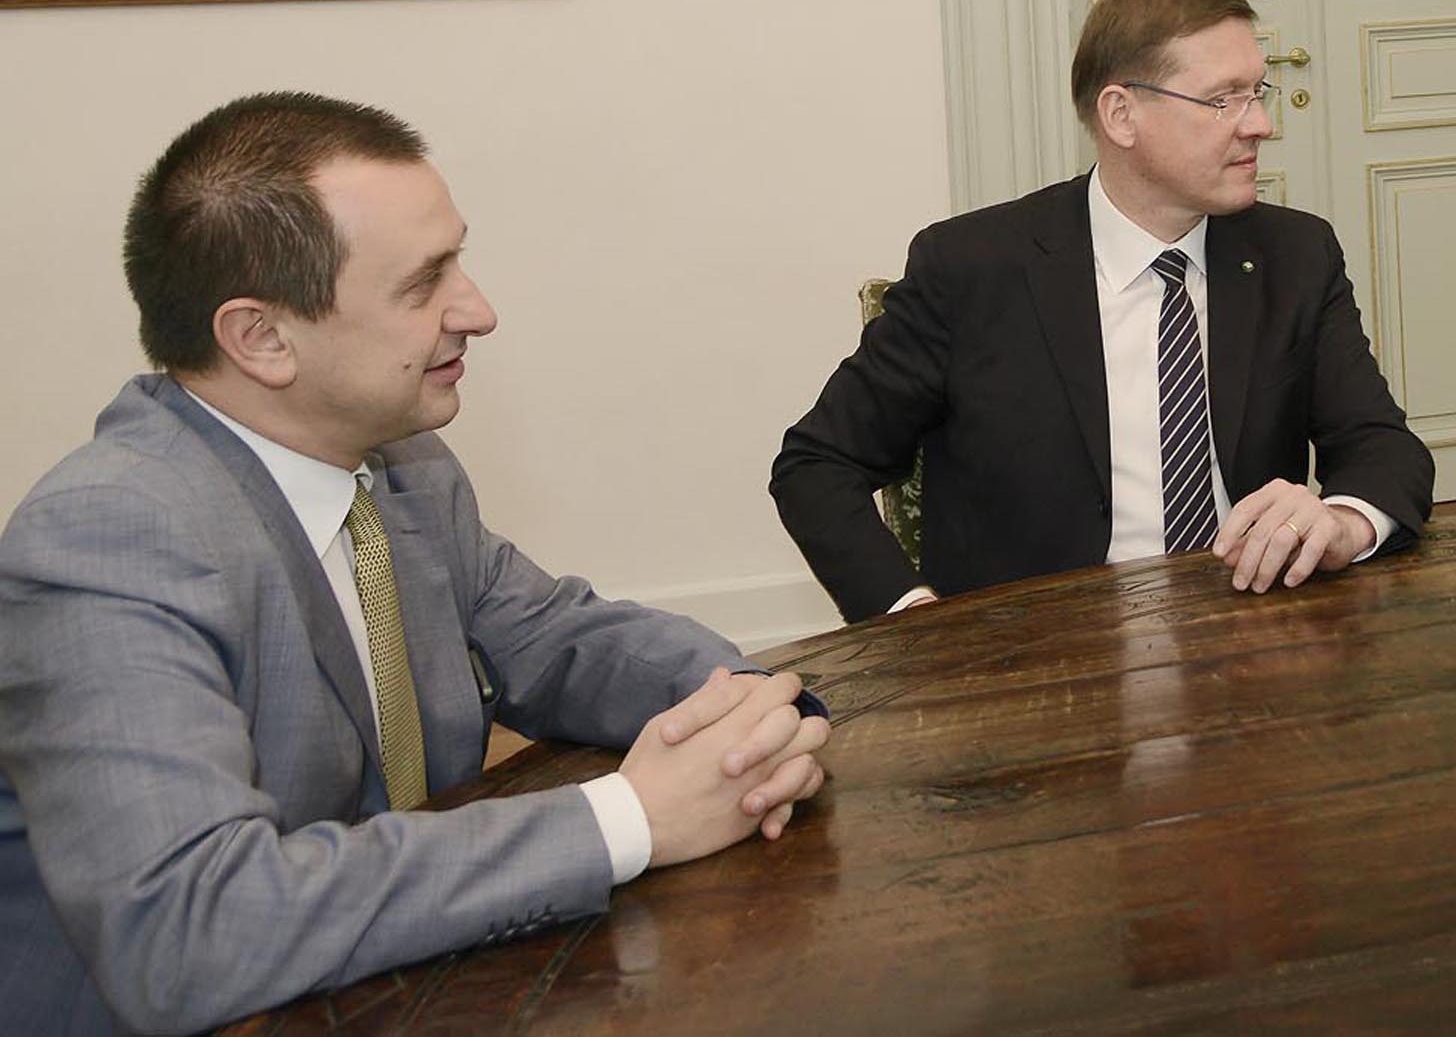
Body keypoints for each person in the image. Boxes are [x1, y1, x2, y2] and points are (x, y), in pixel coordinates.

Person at [0, 95, 832, 1037]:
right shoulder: (107, 535)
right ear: (262, 337)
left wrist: (752, 715)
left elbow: (556, 636)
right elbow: (189, 930)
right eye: (423, 283)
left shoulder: (400, 465)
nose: (477, 310)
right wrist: (628, 818)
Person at [773, 0, 1434, 619]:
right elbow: (818, 464)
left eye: (1257, 90)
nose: (1260, 122)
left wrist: (1343, 521)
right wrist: (917, 622)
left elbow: (1383, 446)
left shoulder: (1294, 254)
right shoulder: (972, 269)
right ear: (1121, 113)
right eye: (1223, 98)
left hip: (1248, 637)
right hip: (1034, 665)